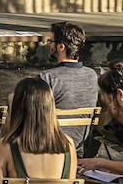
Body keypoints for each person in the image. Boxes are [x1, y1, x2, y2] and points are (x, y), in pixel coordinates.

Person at [37, 23, 100, 153]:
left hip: (48, 148)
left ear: (61, 47)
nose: (49, 44)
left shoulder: (47, 78)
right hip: (77, 147)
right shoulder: (92, 75)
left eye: (51, 41)